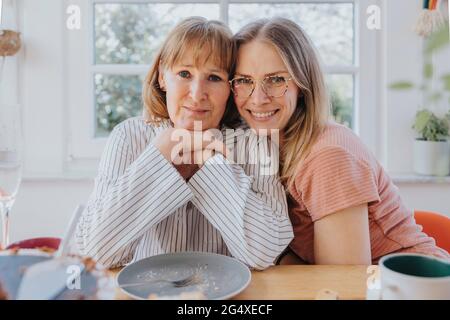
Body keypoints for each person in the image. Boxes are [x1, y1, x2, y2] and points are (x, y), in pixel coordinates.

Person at [75, 17, 293, 270]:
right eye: (184, 74)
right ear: (162, 77)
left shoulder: (254, 143)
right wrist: (161, 155)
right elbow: (94, 253)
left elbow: (265, 253)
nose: (197, 93)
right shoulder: (129, 136)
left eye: (214, 77)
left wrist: (207, 163)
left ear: (231, 88)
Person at [230, 17, 450, 265]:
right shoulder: (266, 145)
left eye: (276, 79)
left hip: (411, 285)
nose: (258, 98)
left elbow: (343, 282)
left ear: (302, 84)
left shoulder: (327, 156)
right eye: (244, 80)